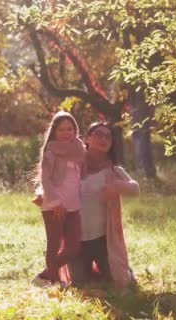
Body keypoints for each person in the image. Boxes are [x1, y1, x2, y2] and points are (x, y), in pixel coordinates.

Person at [69, 122, 140, 291]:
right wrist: (43, 194)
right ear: (87, 138)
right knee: (78, 284)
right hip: (76, 240)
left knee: (117, 280)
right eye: (99, 134)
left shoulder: (113, 170)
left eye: (108, 136)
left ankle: (121, 269)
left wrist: (117, 187)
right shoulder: (73, 165)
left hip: (102, 240)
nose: (104, 139)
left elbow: (135, 188)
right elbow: (54, 181)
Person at [32, 111, 85, 288]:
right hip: (54, 205)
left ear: (75, 130)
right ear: (54, 132)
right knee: (54, 244)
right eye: (61, 129)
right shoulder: (51, 151)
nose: (66, 133)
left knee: (74, 246)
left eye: (70, 129)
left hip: (73, 205)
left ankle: (45, 275)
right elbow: (46, 179)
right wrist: (55, 203)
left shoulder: (79, 149)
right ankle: (54, 281)